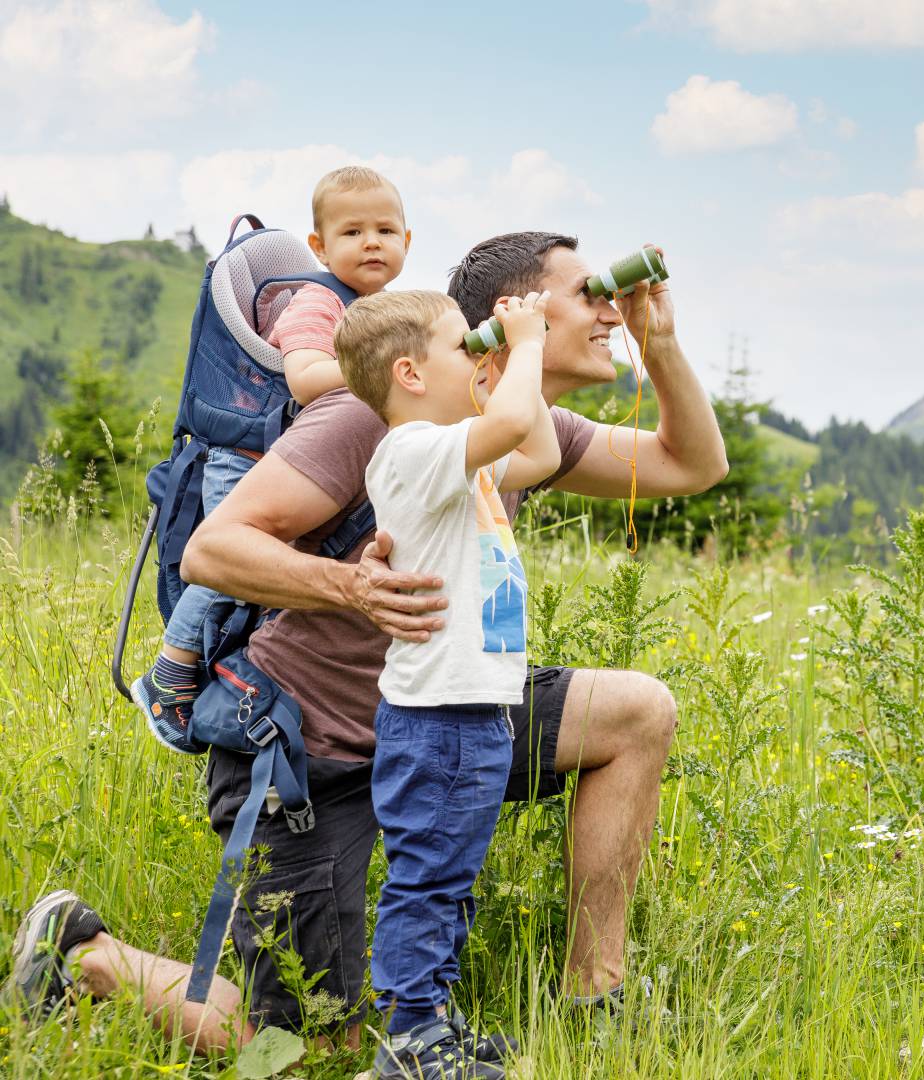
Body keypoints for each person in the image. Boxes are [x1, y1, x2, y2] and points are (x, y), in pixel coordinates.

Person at [9, 232, 726, 1057]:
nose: (609, 309)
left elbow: (690, 465)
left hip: (450, 712)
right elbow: (215, 548)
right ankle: (87, 954)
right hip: (314, 750)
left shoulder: (523, 427)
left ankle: (594, 1000)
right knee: (311, 1044)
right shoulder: (371, 416)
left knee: (635, 712)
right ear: (513, 315)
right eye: (589, 293)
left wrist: (659, 344)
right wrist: (351, 586)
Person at [335, 287, 556, 1077]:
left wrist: (496, 366)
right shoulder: (413, 452)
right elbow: (507, 428)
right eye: (463, 346)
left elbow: (541, 452)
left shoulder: (447, 455)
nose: (478, 354)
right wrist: (526, 345)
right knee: (427, 878)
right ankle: (411, 1037)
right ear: (408, 372)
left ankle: (434, 1020)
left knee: (450, 877)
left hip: (468, 712)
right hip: (441, 718)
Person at [130, 165, 412, 752]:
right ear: (319, 247)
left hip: (294, 451)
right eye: (353, 232)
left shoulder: (379, 308)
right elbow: (307, 379)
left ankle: (229, 681)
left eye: (386, 230)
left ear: (408, 241)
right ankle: (169, 673)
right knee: (242, 562)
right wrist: (397, 374)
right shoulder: (318, 303)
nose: (372, 243)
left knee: (270, 583)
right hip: (249, 454)